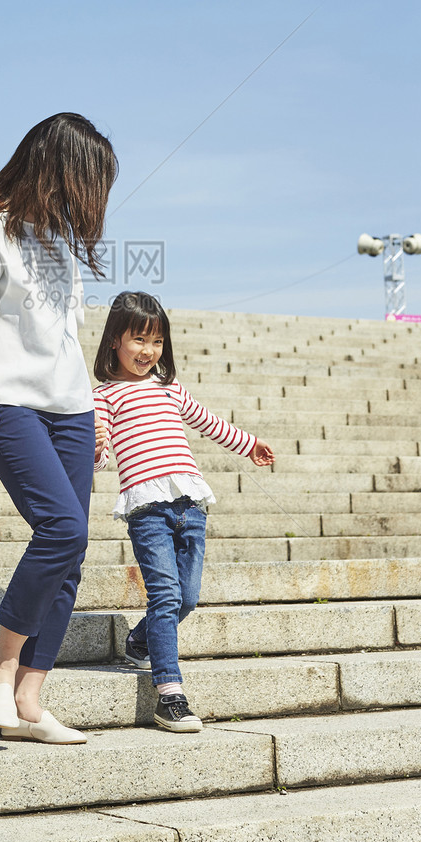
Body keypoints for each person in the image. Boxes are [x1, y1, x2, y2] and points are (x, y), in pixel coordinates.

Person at [0, 112, 118, 745]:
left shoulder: (57, 237)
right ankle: (0, 672)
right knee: (60, 527)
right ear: (55, 164)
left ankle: (31, 698)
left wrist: (93, 412)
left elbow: (65, 336)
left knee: (74, 546)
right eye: (84, 180)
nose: (87, 199)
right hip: (7, 399)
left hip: (70, 406)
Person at [93, 291, 274, 732]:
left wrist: (249, 445)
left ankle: (139, 640)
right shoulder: (104, 396)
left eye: (156, 342)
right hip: (148, 510)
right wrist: (95, 446)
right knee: (166, 596)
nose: (148, 351)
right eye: (138, 340)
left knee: (187, 597)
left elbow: (209, 422)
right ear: (115, 340)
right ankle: (169, 695)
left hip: (191, 507)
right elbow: (97, 459)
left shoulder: (168, 387)